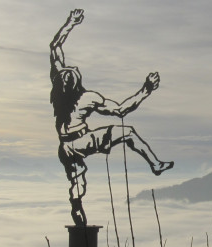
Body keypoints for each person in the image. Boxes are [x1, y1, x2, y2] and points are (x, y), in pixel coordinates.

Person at [50, 9, 174, 226]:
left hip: (65, 147)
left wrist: (71, 23)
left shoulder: (58, 86)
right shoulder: (87, 97)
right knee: (128, 132)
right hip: (81, 140)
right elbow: (121, 110)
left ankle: (77, 210)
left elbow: (55, 46)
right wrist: (146, 89)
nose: (75, 67)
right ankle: (155, 164)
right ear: (77, 82)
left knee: (77, 182)